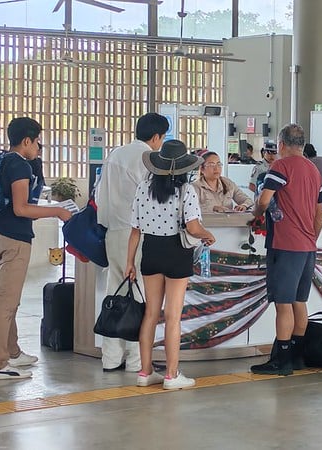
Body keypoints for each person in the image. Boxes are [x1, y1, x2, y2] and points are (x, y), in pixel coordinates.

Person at [126, 139, 216, 390]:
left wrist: (129, 263)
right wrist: (207, 235)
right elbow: (193, 227)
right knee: (173, 316)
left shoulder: (143, 188)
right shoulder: (186, 191)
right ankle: (171, 375)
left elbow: (134, 231)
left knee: (150, 314)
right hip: (177, 251)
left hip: (150, 250)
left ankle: (145, 372)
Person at [0, 117, 73, 380]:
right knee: (6, 303)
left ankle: (12, 352)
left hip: (2, 234)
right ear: (26, 140)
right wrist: (58, 211)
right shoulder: (19, 167)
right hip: (15, 240)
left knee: (9, 299)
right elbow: (21, 208)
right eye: (38, 141)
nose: (39, 146)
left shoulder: (7, 161)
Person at [96, 112, 169, 373]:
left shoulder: (115, 154)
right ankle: (138, 360)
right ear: (156, 136)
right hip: (137, 234)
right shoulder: (148, 158)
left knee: (115, 294)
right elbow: (153, 198)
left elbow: (99, 194)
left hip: (112, 231)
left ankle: (111, 359)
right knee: (140, 296)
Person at [250, 124, 322, 376]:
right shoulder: (314, 170)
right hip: (307, 246)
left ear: (281, 144)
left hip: (285, 244)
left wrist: (256, 214)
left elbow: (263, 199)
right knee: (299, 301)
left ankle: (281, 361)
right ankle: (297, 356)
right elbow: (319, 214)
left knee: (282, 304)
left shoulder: (280, 167)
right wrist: (311, 238)